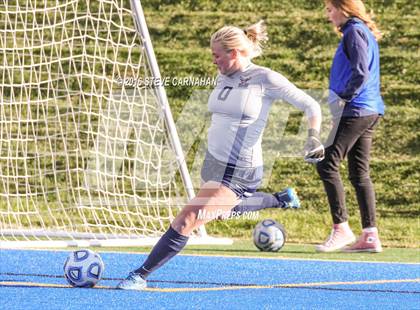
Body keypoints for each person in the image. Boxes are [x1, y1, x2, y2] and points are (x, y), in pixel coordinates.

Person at [117, 20, 324, 290]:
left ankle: (139, 275)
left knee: (187, 218)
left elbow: (311, 105)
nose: (213, 61)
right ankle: (279, 199)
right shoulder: (222, 75)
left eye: (217, 55)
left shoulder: (265, 78)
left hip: (240, 169)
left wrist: (313, 137)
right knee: (224, 212)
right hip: (213, 162)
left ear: (234, 53)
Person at [315, 0, 385, 253]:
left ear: (344, 9)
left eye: (330, 9)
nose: (328, 15)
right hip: (369, 109)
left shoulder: (354, 31)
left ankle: (341, 228)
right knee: (359, 173)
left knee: (326, 162)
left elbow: (360, 73)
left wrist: (343, 97)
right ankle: (369, 235)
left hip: (356, 109)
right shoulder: (359, 30)